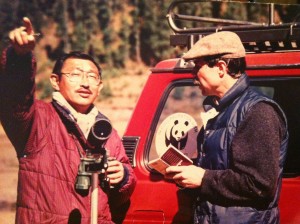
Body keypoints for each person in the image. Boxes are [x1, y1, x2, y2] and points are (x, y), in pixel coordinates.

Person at [0, 17, 136, 224]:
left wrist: (123, 177)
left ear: (100, 87)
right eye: (75, 74)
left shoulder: (105, 131)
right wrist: (20, 58)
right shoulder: (37, 120)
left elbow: (123, 192)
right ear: (55, 81)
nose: (85, 83)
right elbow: (16, 97)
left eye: (92, 77)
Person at [165, 31, 288, 223]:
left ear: (221, 68)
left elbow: (259, 185)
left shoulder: (258, 112)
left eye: (198, 67)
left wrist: (203, 178)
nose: (193, 75)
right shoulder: (220, 111)